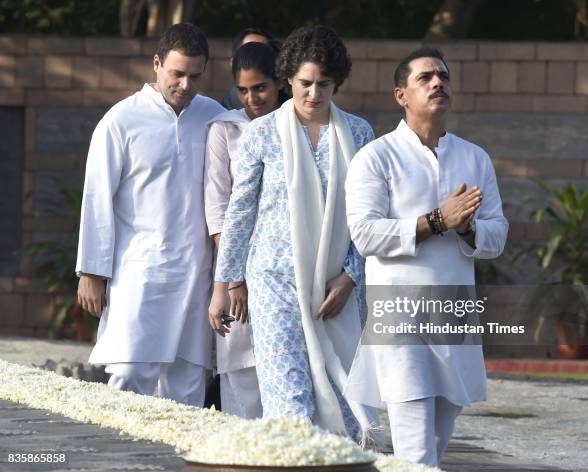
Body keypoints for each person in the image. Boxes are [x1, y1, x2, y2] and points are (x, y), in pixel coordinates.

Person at [344, 46, 508, 467]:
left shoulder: (474, 157)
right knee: (413, 425)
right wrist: (436, 220)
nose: (438, 83)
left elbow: (498, 235)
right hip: (398, 309)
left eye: (444, 77)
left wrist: (466, 226)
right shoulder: (376, 157)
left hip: (452, 309)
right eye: (425, 78)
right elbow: (364, 234)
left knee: (438, 433)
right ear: (401, 95)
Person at [209, 26, 375, 440]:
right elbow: (240, 212)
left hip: (336, 287)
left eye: (324, 84)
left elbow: (369, 216)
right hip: (274, 281)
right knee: (289, 400)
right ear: (288, 80)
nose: (313, 93)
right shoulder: (263, 134)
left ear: (337, 82)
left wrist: (351, 276)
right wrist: (231, 281)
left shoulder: (359, 134)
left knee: (342, 399)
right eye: (304, 83)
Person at [76, 23, 225, 406]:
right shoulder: (121, 121)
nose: (186, 84)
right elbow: (97, 199)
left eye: (195, 75)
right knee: (128, 374)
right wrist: (92, 272)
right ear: (157, 64)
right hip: (136, 270)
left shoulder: (215, 117)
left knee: (188, 384)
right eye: (177, 73)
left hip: (196, 272)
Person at [204, 41, 285, 419]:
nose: (252, 98)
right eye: (243, 90)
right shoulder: (225, 129)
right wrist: (236, 279)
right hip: (237, 275)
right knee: (242, 385)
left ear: (281, 83)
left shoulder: (299, 129)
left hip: (287, 273)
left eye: (260, 88)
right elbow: (219, 213)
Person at [220, 27, 276, 110]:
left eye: (263, 53)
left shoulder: (293, 111)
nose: (251, 99)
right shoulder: (222, 114)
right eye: (243, 90)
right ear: (233, 63)